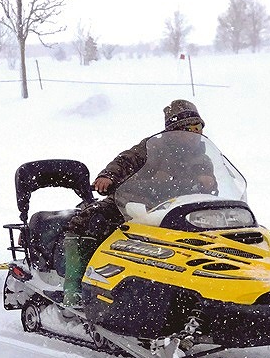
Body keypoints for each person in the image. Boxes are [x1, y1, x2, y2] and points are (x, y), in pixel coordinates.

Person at [61, 99, 212, 306]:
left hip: (175, 210)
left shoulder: (203, 159)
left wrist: (209, 184)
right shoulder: (153, 147)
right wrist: (108, 176)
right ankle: (74, 287)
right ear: (174, 130)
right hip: (134, 202)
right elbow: (125, 161)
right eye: (189, 129)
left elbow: (211, 191)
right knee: (87, 221)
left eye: (198, 127)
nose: (195, 134)